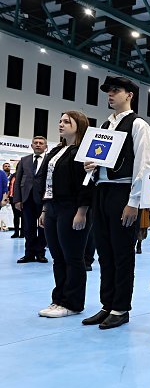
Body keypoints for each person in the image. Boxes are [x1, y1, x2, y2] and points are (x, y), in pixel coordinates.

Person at [82, 76, 150, 330]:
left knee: (122, 252)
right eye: (108, 91)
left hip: (122, 193)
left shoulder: (138, 125)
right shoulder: (105, 125)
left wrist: (134, 201)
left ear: (129, 95)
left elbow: (143, 165)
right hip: (101, 190)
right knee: (104, 251)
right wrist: (92, 165)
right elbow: (101, 159)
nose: (110, 95)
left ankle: (121, 308)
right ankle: (107, 304)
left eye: (115, 91)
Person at [36, 111, 94, 318]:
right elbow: (47, 182)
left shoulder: (84, 152)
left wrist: (82, 212)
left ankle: (73, 302)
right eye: (60, 121)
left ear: (78, 125)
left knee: (73, 257)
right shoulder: (56, 150)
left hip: (72, 208)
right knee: (57, 257)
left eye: (66, 121)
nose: (61, 124)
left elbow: (87, 184)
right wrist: (44, 209)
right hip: (52, 207)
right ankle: (58, 299)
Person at [13, 136, 49, 263]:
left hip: (44, 199)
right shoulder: (24, 160)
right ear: (32, 145)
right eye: (36, 143)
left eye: (41, 143)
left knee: (43, 227)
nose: (38, 145)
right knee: (28, 227)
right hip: (26, 198)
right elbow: (17, 181)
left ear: (46, 147)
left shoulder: (49, 160)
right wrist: (17, 199)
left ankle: (40, 253)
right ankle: (29, 253)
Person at [6, 163, 23, 238]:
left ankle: (23, 233)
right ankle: (16, 232)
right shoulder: (13, 175)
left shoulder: (24, 175)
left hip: (21, 199)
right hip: (13, 198)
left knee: (23, 216)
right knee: (15, 216)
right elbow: (10, 186)